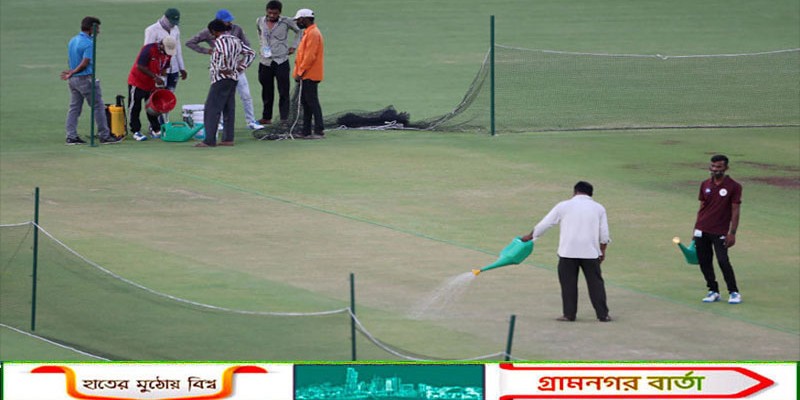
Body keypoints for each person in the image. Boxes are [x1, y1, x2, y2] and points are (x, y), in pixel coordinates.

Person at [521, 181, 612, 322]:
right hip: (590, 252)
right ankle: (603, 314)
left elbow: (545, 224)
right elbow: (604, 234)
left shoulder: (563, 206)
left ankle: (569, 315)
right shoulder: (599, 208)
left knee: (568, 284)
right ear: (591, 194)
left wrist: (530, 236)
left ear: (575, 192)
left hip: (567, 252)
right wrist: (602, 251)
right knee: (596, 284)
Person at [186, 9, 263, 131]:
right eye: (227, 21)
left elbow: (247, 46)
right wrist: (207, 51)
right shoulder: (209, 31)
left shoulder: (237, 29)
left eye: (230, 20)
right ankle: (220, 123)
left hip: (236, 68)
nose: (229, 23)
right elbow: (190, 42)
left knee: (246, 95)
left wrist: (242, 63)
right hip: (219, 71)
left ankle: (251, 121)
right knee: (220, 97)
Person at [195, 19, 256, 147]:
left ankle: (209, 140)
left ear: (213, 31)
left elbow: (225, 54)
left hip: (220, 79)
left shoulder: (220, 42)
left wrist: (223, 67)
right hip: (233, 78)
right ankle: (228, 139)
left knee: (212, 109)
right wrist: (242, 67)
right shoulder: (236, 40)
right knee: (228, 109)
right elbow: (251, 53)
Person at [61, 17, 122, 145]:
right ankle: (104, 135)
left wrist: (71, 72)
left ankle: (71, 136)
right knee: (98, 106)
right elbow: (85, 63)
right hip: (85, 79)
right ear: (91, 28)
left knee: (74, 108)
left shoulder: (73, 40)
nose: (98, 31)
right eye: (97, 28)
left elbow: (71, 59)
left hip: (73, 80)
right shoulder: (88, 43)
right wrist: (74, 71)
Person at [694, 154, 743, 304]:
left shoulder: (734, 186)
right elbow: (701, 207)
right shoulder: (705, 184)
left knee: (723, 261)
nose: (715, 169)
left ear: (726, 168)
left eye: (719, 167)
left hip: (720, 231)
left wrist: (732, 233)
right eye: (713, 166)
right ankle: (713, 291)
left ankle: (734, 292)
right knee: (704, 261)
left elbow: (735, 210)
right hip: (702, 228)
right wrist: (695, 228)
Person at [256, 0, 302, 125]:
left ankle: (284, 118)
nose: (272, 15)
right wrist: (262, 46)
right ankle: (266, 117)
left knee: (283, 91)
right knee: (266, 90)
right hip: (265, 61)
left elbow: (299, 31)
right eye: (270, 13)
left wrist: (294, 46)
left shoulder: (286, 21)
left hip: (281, 60)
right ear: (266, 11)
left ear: (280, 12)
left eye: (275, 13)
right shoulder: (259, 21)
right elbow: (260, 34)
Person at [144, 8, 187, 132]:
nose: (173, 25)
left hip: (173, 69)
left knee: (169, 98)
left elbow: (178, 50)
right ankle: (155, 125)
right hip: (159, 70)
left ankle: (165, 123)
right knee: (157, 98)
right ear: (165, 18)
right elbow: (147, 51)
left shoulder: (175, 29)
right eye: (171, 22)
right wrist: (153, 73)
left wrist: (182, 68)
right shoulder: (152, 30)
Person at [127, 37, 176, 141]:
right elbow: (140, 66)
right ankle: (136, 131)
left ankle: (155, 129)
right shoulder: (148, 49)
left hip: (152, 84)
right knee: (135, 106)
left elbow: (164, 68)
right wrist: (155, 77)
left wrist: (163, 79)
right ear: (161, 45)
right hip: (138, 82)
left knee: (153, 106)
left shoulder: (168, 53)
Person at [292, 8, 325, 139]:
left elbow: (309, 56)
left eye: (299, 20)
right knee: (306, 103)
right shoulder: (309, 32)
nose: (297, 22)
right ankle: (306, 131)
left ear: (305, 19)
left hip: (309, 74)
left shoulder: (313, 34)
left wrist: (300, 72)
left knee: (312, 102)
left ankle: (319, 131)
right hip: (307, 74)